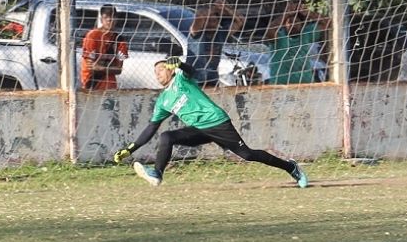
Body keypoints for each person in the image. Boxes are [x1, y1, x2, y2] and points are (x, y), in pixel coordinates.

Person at [112, 56, 309, 188]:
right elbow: (151, 127)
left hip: (217, 122)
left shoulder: (181, 79)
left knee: (247, 155)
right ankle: (157, 174)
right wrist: (131, 148)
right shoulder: (163, 101)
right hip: (199, 130)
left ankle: (291, 168)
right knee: (166, 137)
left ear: (170, 70)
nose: (158, 74)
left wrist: (180, 64)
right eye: (155, 72)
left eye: (161, 69)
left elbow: (192, 71)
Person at [264, 2, 329, 85]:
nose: (293, 25)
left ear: (302, 24)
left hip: (306, 85)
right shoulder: (279, 37)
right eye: (290, 22)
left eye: (297, 22)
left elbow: (328, 22)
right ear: (284, 24)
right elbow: (269, 32)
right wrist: (286, 14)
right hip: (280, 86)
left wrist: (309, 13)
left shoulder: (306, 34)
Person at [188, 0, 246, 85]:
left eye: (214, 21)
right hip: (195, 79)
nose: (212, 24)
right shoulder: (196, 33)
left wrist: (227, 8)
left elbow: (240, 20)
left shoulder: (220, 34)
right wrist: (214, 8)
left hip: (212, 78)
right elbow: (200, 15)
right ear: (204, 21)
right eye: (209, 20)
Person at [81, 5, 128, 90]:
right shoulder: (92, 36)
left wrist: (102, 68)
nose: (109, 20)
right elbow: (91, 66)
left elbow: (119, 69)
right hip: (91, 82)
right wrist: (109, 68)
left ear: (116, 19)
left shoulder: (119, 40)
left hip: (110, 83)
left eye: (112, 17)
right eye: (106, 17)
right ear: (101, 20)